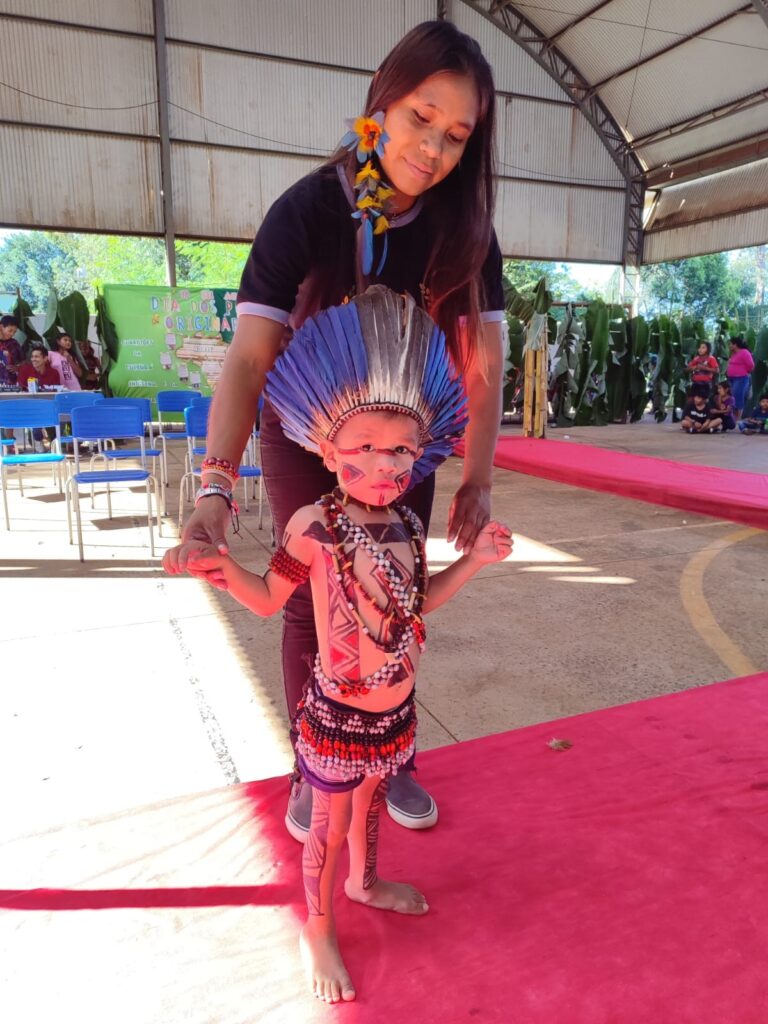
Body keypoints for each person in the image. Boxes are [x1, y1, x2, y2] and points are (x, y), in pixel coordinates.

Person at [164, 19, 506, 839]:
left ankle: (392, 759)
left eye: (458, 135)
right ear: (383, 99)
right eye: (422, 116)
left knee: (396, 584)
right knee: (305, 597)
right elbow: (248, 361)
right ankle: (312, 764)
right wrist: (215, 488)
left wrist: (478, 477)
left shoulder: (465, 229)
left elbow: (485, 359)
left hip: (403, 440)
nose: (434, 147)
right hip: (302, 432)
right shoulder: (306, 212)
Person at [166, 288, 513, 1003]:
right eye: (365, 450)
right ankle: (317, 927)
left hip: (395, 709)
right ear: (326, 450)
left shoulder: (410, 532)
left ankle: (366, 880)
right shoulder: (313, 528)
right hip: (337, 712)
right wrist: (216, 566)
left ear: (421, 454)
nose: (386, 466)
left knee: (373, 799)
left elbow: (421, 606)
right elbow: (267, 599)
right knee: (330, 816)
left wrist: (474, 560)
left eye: (401, 452)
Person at [16, 346, 61, 451]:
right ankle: (38, 441)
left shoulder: (54, 373)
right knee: (35, 415)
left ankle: (55, 443)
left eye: (37, 357)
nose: (33, 359)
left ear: (45, 359)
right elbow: (20, 389)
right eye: (32, 357)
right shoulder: (25, 369)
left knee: (55, 414)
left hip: (48, 406)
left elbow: (56, 391)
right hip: (30, 406)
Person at [726, 336, 755, 420]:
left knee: (738, 397)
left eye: (731, 344)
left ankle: (738, 419)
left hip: (741, 379)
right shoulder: (733, 354)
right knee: (732, 397)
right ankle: (733, 418)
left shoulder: (744, 352)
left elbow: (751, 365)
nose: (730, 346)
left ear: (735, 344)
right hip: (731, 379)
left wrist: (745, 371)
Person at [0, 315, 24, 386]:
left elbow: (23, 361)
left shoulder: (14, 343)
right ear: (1, 327)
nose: (12, 334)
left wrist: (17, 367)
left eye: (14, 332)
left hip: (12, 383)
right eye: (10, 330)